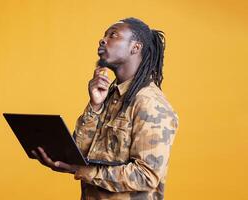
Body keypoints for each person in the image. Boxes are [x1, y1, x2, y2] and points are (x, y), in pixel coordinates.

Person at [31, 17, 179, 200]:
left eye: (113, 35)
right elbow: (82, 153)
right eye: (104, 35)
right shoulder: (109, 96)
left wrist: (84, 171)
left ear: (136, 47)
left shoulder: (150, 103)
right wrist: (95, 105)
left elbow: (146, 176)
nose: (103, 40)